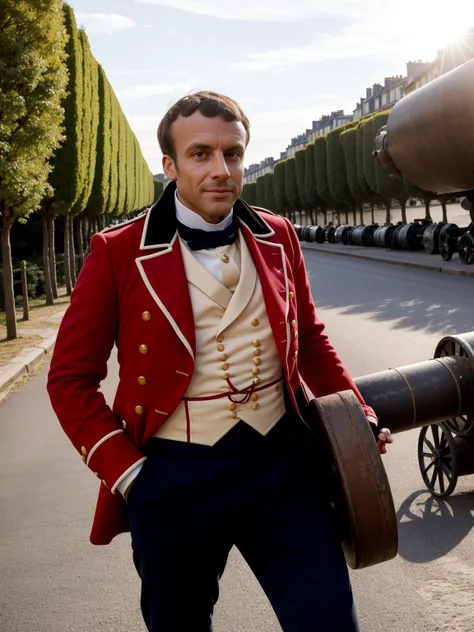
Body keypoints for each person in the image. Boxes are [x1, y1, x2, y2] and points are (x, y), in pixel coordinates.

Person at [48, 91, 393, 632]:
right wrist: (130, 473)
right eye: (201, 153)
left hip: (283, 467)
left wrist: (358, 414)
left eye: (232, 154)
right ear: (170, 165)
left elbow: (310, 339)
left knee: (330, 622)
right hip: (174, 478)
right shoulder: (117, 252)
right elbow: (70, 378)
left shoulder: (277, 235)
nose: (221, 169)